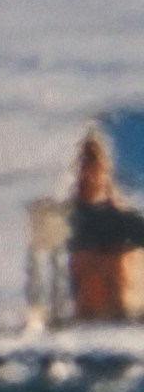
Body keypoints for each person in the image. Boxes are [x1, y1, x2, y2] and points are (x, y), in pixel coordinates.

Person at [72, 128, 144, 328]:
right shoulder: (74, 217)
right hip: (91, 310)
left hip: (118, 306)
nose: (89, 176)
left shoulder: (117, 217)